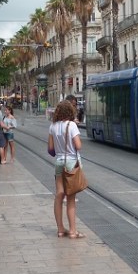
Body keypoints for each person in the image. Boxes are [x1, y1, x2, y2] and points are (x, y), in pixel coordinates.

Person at [48, 100, 85, 239]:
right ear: (70, 112)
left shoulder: (53, 126)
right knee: (70, 198)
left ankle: (60, 229)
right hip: (71, 163)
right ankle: (73, 231)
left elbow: (50, 148)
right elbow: (78, 145)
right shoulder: (72, 125)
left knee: (59, 195)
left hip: (58, 162)